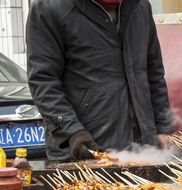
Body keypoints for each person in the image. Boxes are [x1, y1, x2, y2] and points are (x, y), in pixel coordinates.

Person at [26, 0, 173, 160]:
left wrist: (162, 127)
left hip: (144, 148)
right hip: (84, 148)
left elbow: (153, 73)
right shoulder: (48, 7)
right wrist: (72, 131)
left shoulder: (141, 6)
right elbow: (43, 81)